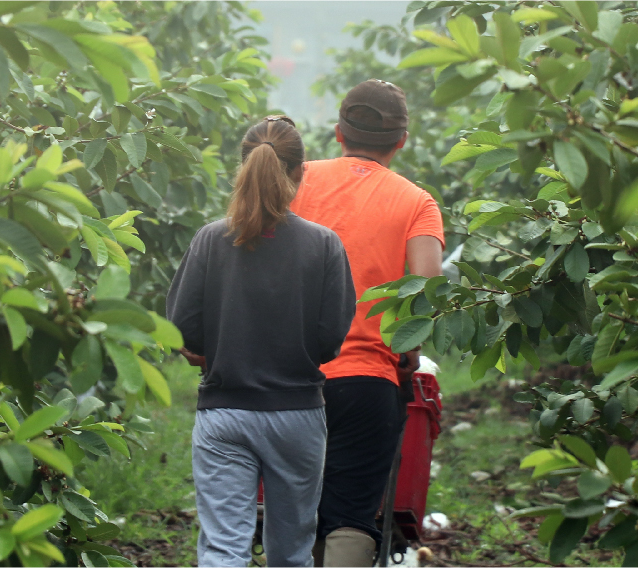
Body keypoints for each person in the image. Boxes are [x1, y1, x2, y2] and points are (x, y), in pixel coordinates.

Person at [167, 115, 357, 568]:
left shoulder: (211, 241)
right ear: (300, 171)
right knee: (291, 553)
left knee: (223, 548)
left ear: (242, 167)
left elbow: (182, 329)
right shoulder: (324, 245)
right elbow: (331, 338)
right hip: (297, 416)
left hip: (224, 415)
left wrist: (214, 349)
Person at [289, 79, 444, 566]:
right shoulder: (417, 203)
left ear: (338, 132)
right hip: (365, 380)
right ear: (401, 141)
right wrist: (407, 357)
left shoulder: (291, 180)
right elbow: (424, 297)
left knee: (292, 509)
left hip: (282, 379)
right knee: (351, 514)